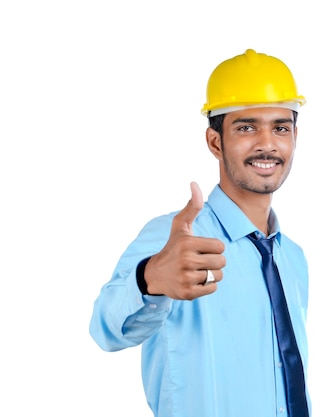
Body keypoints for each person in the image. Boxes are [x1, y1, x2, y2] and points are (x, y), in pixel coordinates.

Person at [89, 49, 311, 417]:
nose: (267, 143)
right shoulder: (178, 239)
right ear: (215, 142)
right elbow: (105, 328)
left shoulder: (293, 258)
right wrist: (150, 279)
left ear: (294, 137)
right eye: (246, 127)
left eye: (280, 127)